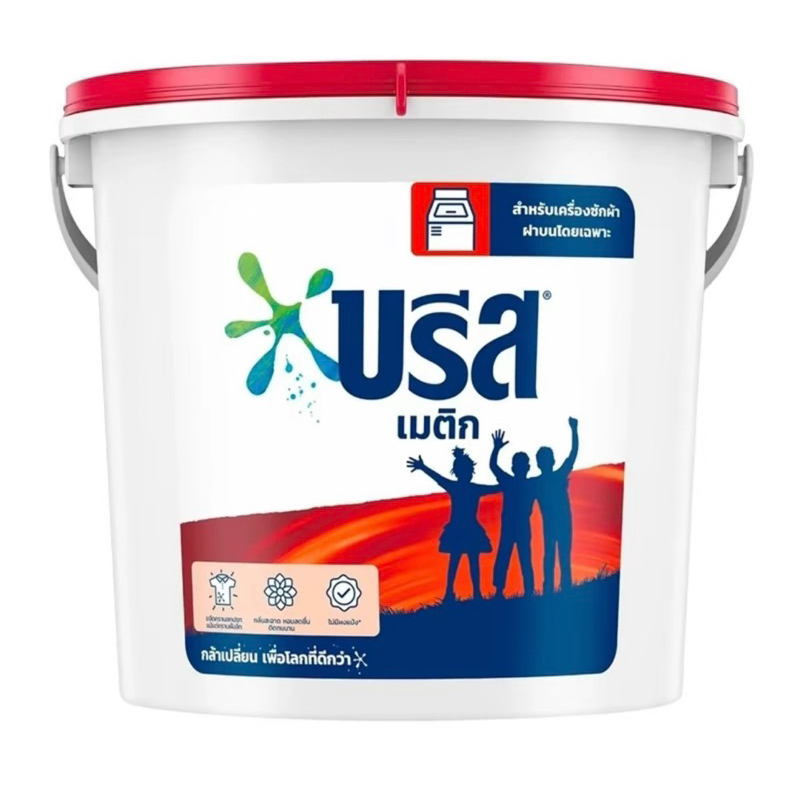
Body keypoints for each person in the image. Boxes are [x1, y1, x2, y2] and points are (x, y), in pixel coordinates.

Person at [407, 448, 498, 602]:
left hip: (464, 529)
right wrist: (423, 467)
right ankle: (457, 593)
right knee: (461, 561)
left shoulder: (465, 487)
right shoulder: (468, 488)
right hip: (462, 529)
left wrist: (423, 467)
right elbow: (438, 478)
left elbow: (496, 488)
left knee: (466, 561)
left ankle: (469, 593)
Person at [489, 430, 537, 598]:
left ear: (527, 467)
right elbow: (493, 467)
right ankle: (500, 591)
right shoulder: (510, 481)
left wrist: (496, 449)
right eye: (518, 465)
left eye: (523, 465)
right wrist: (496, 449)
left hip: (521, 526)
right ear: (513, 468)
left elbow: (493, 467)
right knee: (506, 556)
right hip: (510, 527)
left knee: (523, 558)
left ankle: (528, 590)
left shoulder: (531, 484)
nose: (521, 468)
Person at [534, 417, 579, 593]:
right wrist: (574, 430)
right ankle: (551, 589)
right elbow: (573, 454)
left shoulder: (555, 476)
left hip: (562, 522)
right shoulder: (540, 482)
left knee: (560, 556)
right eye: (544, 460)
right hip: (554, 524)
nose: (547, 462)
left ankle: (562, 588)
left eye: (548, 459)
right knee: (552, 556)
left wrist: (574, 430)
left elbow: (573, 454)